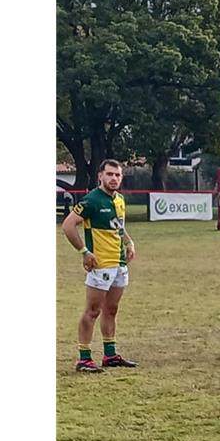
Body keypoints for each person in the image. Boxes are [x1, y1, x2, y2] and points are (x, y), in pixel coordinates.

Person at [62, 158, 138, 372]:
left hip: (119, 263)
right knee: (93, 310)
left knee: (111, 310)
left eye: (117, 175)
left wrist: (129, 242)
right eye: (110, 174)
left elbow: (118, 227)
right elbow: (68, 226)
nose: (114, 178)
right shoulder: (92, 200)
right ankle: (84, 358)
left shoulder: (119, 200)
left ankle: (110, 355)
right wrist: (84, 252)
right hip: (101, 265)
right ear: (100, 176)